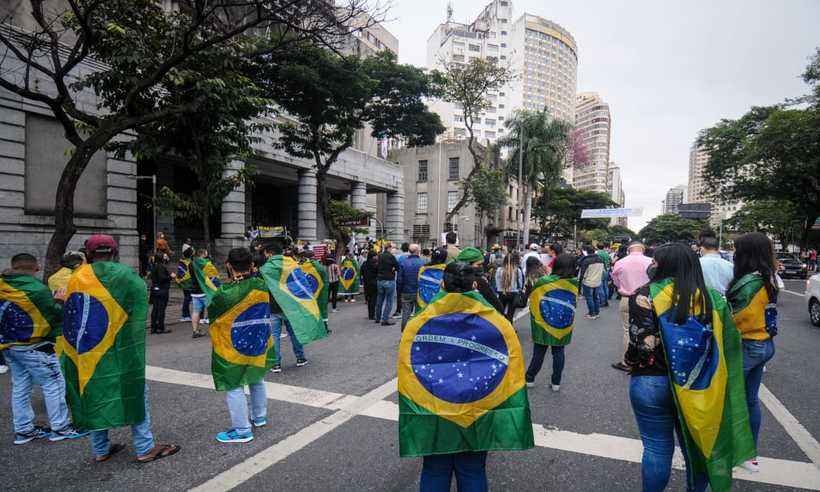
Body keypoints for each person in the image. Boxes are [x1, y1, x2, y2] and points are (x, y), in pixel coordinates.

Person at [626, 242, 753, 491]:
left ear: (662, 266)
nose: (651, 265)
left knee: (656, 448)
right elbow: (727, 344)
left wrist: (630, 360)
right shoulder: (712, 299)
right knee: (698, 448)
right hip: (699, 386)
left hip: (651, 381)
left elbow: (642, 345)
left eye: (655, 261)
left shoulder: (644, 294)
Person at [398, 261, 534, 491]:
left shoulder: (416, 324)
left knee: (434, 468)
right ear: (474, 285)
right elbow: (511, 372)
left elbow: (408, 373)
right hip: (478, 409)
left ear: (442, 284)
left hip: (433, 409)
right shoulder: (499, 323)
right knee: (472, 469)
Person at [63, 235, 180, 462]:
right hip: (122, 350)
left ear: (87, 255)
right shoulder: (126, 276)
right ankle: (145, 448)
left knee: (93, 394)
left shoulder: (76, 278)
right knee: (135, 393)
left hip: (89, 353)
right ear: (115, 253)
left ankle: (100, 450)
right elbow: (138, 306)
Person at [1, 253, 87, 444]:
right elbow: (55, 315)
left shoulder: (3, 285)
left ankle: (23, 430)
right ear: (35, 268)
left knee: (21, 387)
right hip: (35, 345)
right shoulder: (37, 289)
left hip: (9, 345)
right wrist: (59, 300)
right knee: (54, 384)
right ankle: (61, 427)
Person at [209, 248, 274, 443]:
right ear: (252, 265)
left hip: (233, 346)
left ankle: (242, 429)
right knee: (257, 377)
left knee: (233, 384)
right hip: (258, 341)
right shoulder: (262, 286)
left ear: (229, 265)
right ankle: (259, 416)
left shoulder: (224, 293)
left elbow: (214, 316)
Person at [726, 232, 779, 473]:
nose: (734, 253)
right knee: (750, 400)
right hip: (764, 343)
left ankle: (733, 452)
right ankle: (749, 453)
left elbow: (738, 316)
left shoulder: (750, 282)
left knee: (730, 399)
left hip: (748, 344)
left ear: (746, 253)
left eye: (737, 249)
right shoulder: (768, 276)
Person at [525, 254, 578, 392]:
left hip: (543, 322)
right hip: (563, 322)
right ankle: (556, 382)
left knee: (539, 351)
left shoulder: (543, 281)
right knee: (559, 352)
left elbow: (534, 299)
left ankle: (530, 378)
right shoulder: (574, 282)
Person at [262, 240, 308, 373]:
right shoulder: (292, 264)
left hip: (272, 307)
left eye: (265, 253)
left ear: (270, 253)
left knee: (274, 336)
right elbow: (300, 283)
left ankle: (276, 364)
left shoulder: (265, 268)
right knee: (294, 333)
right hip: (290, 306)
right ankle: (300, 358)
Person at [611, 241, 653, 372]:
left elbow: (615, 281)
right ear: (643, 249)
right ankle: (648, 361)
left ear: (629, 250)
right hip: (647, 301)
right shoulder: (651, 261)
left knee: (627, 330)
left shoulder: (620, 262)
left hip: (627, 298)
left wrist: (623, 288)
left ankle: (627, 361)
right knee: (649, 330)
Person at [456, 247, 504, 313]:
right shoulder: (480, 282)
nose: (481, 267)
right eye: (478, 265)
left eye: (482, 264)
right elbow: (497, 306)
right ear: (468, 265)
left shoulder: (451, 280)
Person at [396, 244, 425, 330]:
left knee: (406, 313)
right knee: (418, 313)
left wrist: (399, 291)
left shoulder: (403, 263)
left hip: (406, 291)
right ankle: (416, 332)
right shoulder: (422, 263)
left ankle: (404, 333)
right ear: (417, 251)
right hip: (419, 292)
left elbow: (399, 279)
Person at [699, 230, 734, 295]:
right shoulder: (730, 266)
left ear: (702, 248)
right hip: (724, 302)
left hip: (703, 300)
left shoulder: (697, 264)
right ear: (718, 249)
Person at [375, 242, 399, 326]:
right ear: (389, 248)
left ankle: (377, 317)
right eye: (392, 248)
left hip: (380, 280)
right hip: (389, 279)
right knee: (389, 300)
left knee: (379, 299)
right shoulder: (391, 257)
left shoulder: (380, 256)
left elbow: (376, 266)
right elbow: (397, 267)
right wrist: (392, 269)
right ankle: (385, 319)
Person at [495, 252, 524, 322]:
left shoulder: (499, 270)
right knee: (510, 314)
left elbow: (497, 283)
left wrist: (499, 290)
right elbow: (520, 283)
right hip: (514, 293)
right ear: (514, 261)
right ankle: (510, 329)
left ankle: (501, 329)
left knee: (500, 313)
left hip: (502, 293)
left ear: (504, 260)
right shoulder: (517, 270)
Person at [577, 245, 604, 320]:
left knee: (589, 298)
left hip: (588, 282)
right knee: (596, 297)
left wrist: (580, 282)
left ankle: (592, 313)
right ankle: (597, 313)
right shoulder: (600, 259)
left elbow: (582, 273)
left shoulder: (586, 260)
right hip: (598, 281)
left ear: (587, 252)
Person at [149, 253, 172, 334]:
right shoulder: (161, 267)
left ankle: (153, 327)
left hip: (155, 290)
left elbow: (151, 276)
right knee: (161, 309)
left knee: (155, 308)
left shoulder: (154, 266)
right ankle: (160, 327)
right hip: (162, 290)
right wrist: (170, 277)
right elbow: (162, 278)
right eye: (164, 257)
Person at [175, 248, 194, 322]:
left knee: (188, 298)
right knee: (187, 298)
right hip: (187, 283)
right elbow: (185, 274)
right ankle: (185, 315)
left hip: (186, 283)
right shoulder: (187, 262)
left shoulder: (183, 262)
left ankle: (186, 315)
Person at [360, 251, 379, 320]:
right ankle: (373, 314)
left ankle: (370, 315)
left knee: (369, 299)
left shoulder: (364, 263)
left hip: (366, 284)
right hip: (374, 283)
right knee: (374, 299)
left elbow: (361, 272)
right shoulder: (375, 264)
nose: (377, 257)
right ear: (373, 257)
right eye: (376, 255)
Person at [595, 243, 612, 308]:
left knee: (600, 286)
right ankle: (606, 301)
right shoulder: (606, 253)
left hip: (601, 270)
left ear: (597, 247)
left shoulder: (597, 254)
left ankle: (602, 302)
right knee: (605, 286)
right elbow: (610, 261)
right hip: (607, 270)